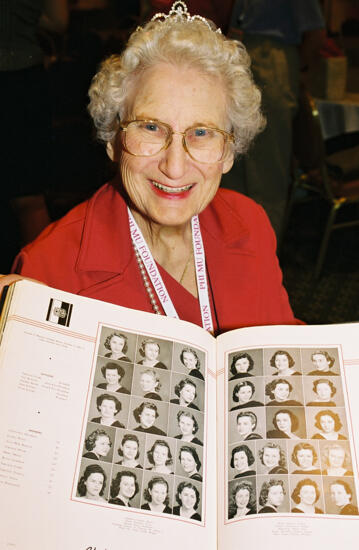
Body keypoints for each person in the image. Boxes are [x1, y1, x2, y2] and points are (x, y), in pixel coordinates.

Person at [4, 0, 299, 338]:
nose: (174, 167)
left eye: (201, 133)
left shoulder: (249, 224)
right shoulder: (51, 269)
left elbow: (283, 350)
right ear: (113, 140)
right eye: (150, 128)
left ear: (229, 151)